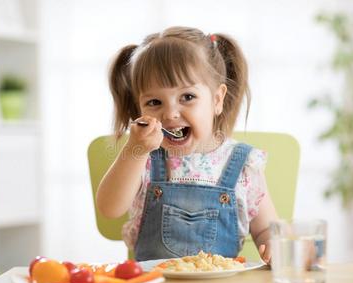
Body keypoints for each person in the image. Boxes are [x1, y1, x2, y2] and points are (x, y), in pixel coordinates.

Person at [97, 26, 278, 263]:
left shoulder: (244, 165)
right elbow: (109, 208)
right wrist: (135, 150)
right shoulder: (144, 158)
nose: (170, 114)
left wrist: (273, 244)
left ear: (217, 99)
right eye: (154, 102)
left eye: (187, 97)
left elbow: (266, 230)